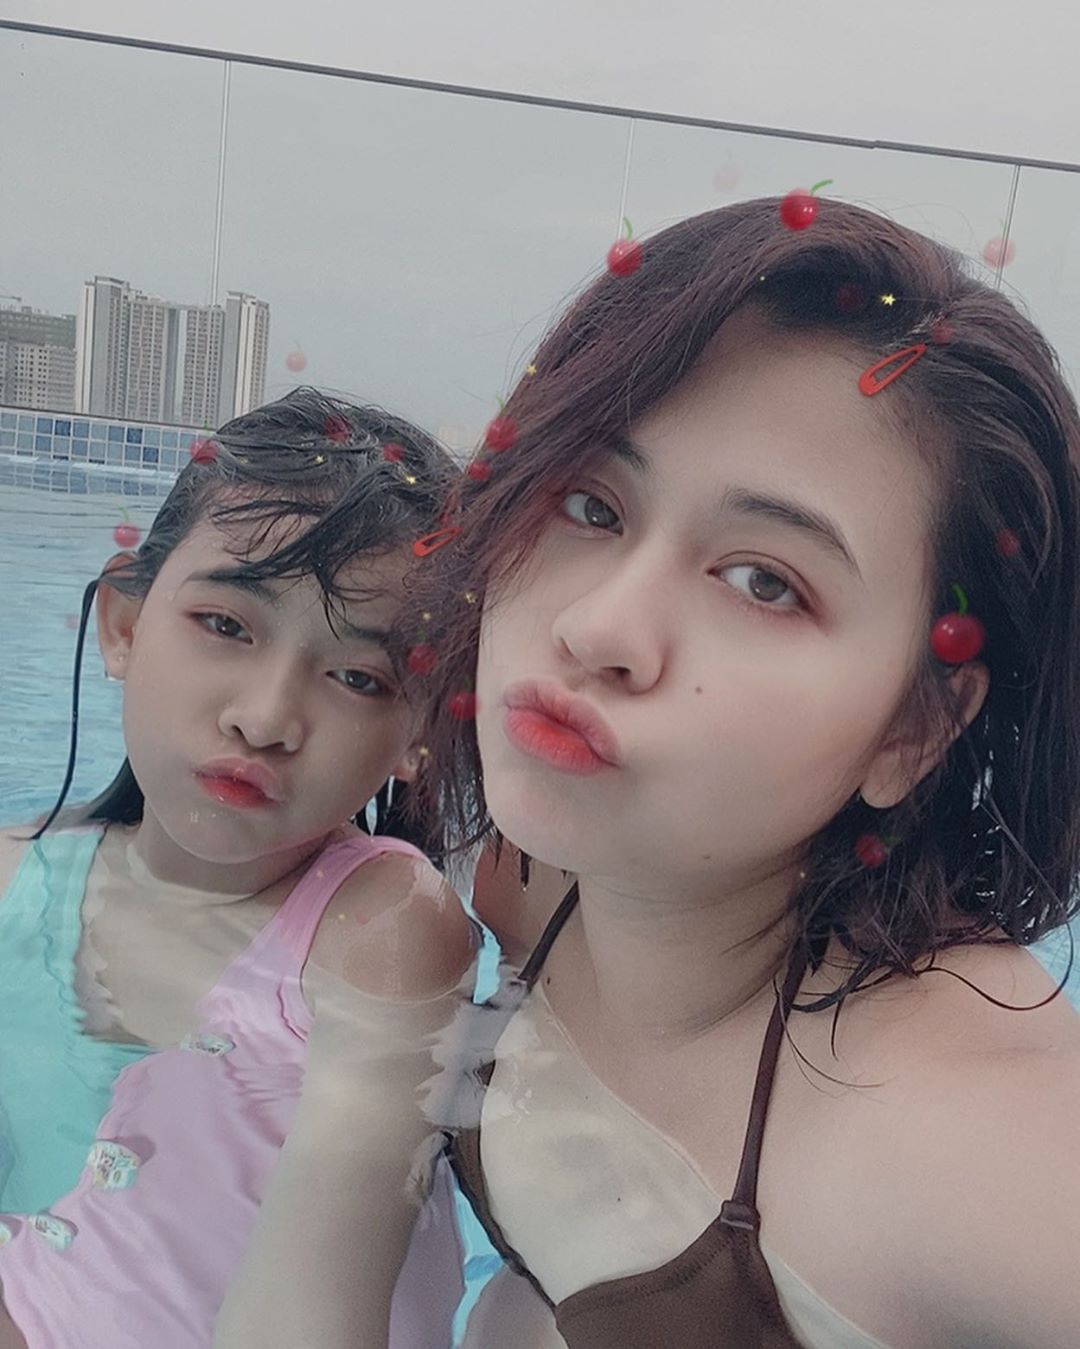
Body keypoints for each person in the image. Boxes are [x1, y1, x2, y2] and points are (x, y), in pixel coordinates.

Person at [399, 197, 1080, 1347]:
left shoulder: (965, 1135)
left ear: (914, 725)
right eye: (591, 503)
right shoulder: (532, 881)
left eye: (766, 581)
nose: (597, 628)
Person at [0, 388, 475, 1349]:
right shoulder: (15, 882)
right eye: (226, 625)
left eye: (358, 678)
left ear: (418, 733)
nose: (264, 717)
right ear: (124, 626)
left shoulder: (379, 927)